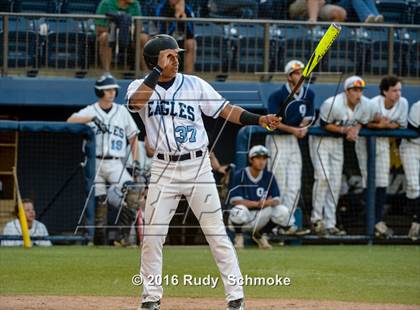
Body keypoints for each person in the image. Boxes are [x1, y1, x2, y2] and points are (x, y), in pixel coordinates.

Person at [126, 34, 282, 310]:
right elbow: (136, 104)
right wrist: (156, 71)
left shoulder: (194, 83)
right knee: (152, 236)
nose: (177, 59)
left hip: (198, 166)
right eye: (170, 56)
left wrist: (260, 119)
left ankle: (236, 298)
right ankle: (150, 298)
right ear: (155, 61)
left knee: (216, 234)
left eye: (176, 55)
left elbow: (227, 111)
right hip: (163, 168)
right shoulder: (139, 86)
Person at [67, 74, 141, 246]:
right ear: (100, 92)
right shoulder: (91, 110)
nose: (112, 93)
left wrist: (135, 162)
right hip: (95, 162)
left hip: (116, 162)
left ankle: (122, 237)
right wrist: (91, 119)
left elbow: (133, 137)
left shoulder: (121, 111)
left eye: (113, 90)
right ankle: (99, 241)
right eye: (108, 90)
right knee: (100, 204)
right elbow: (70, 121)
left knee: (133, 192)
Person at [309, 76, 368, 236]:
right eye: (354, 90)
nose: (358, 94)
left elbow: (364, 119)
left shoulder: (364, 104)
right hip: (321, 140)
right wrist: (345, 130)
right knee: (323, 178)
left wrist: (356, 128)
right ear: (346, 91)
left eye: (360, 90)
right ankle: (316, 219)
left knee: (335, 183)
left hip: (337, 144)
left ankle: (330, 223)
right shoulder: (332, 103)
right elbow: (323, 125)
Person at [355, 76, 409, 238]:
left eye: (399, 90)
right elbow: (363, 122)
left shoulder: (403, 103)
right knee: (367, 179)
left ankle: (376, 220)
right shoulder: (373, 103)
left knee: (383, 181)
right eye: (394, 90)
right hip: (365, 142)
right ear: (385, 91)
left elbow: (401, 124)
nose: (398, 93)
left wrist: (387, 126)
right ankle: (371, 220)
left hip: (383, 142)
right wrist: (381, 125)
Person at [266, 60, 314, 236]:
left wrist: (304, 126)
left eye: (301, 72)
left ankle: (287, 224)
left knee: (294, 185)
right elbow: (272, 123)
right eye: (295, 73)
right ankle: (279, 224)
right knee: (280, 183)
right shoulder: (277, 96)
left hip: (293, 141)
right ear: (289, 76)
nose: (299, 75)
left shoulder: (309, 94)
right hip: (278, 140)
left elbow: (309, 116)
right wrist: (294, 129)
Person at [228, 145, 292, 250]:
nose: (261, 161)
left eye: (264, 158)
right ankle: (239, 236)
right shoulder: (240, 174)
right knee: (238, 210)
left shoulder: (269, 176)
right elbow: (235, 200)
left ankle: (260, 235)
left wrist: (268, 203)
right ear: (250, 159)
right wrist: (257, 204)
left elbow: (276, 199)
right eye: (258, 158)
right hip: (245, 218)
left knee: (283, 211)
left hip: (261, 217)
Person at [95, 0, 149, 73]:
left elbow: (139, 25)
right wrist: (118, 30)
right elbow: (99, 27)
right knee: (104, 37)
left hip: (130, 36)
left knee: (143, 38)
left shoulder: (135, 4)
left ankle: (146, 73)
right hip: (111, 34)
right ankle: (106, 73)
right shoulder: (106, 3)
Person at [156, 0, 196, 74]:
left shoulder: (187, 9)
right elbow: (163, 32)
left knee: (191, 43)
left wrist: (183, 20)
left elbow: (190, 34)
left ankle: (188, 77)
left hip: (181, 41)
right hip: (166, 40)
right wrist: (175, 17)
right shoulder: (162, 7)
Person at [400, 100, 420, 241]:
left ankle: (417, 223)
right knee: (413, 187)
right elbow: (414, 128)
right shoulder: (417, 106)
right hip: (412, 147)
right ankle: (414, 218)